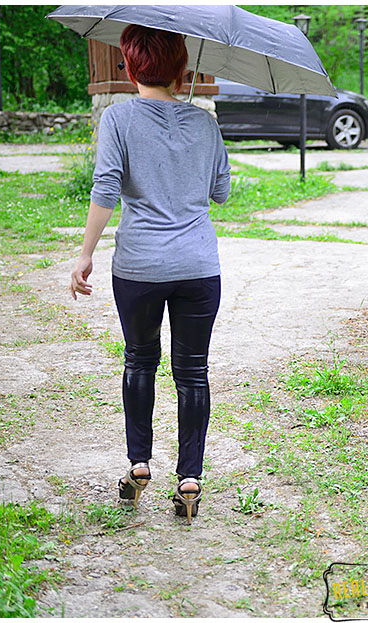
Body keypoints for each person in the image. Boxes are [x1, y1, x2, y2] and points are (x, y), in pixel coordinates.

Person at [70, 25, 230, 524]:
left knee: (140, 361)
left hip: (139, 265)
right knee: (193, 371)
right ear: (182, 68)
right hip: (199, 267)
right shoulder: (205, 124)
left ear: (131, 66)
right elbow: (220, 192)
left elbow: (106, 188)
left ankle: (139, 466)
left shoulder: (118, 119)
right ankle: (189, 479)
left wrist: (85, 254)